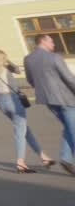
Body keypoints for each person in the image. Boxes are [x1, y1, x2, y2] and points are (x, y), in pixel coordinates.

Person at [0, 48, 53, 173]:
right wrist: (9, 62)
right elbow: (18, 70)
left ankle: (43, 157)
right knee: (20, 132)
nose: (5, 59)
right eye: (4, 57)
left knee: (25, 129)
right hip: (13, 100)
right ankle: (20, 163)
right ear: (1, 59)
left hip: (2, 102)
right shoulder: (6, 69)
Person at [24, 34, 75, 175]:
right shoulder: (54, 57)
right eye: (51, 41)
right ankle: (66, 158)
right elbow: (69, 79)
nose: (53, 44)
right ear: (43, 41)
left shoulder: (28, 59)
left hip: (48, 100)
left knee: (69, 127)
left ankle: (66, 159)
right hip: (66, 98)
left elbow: (30, 79)